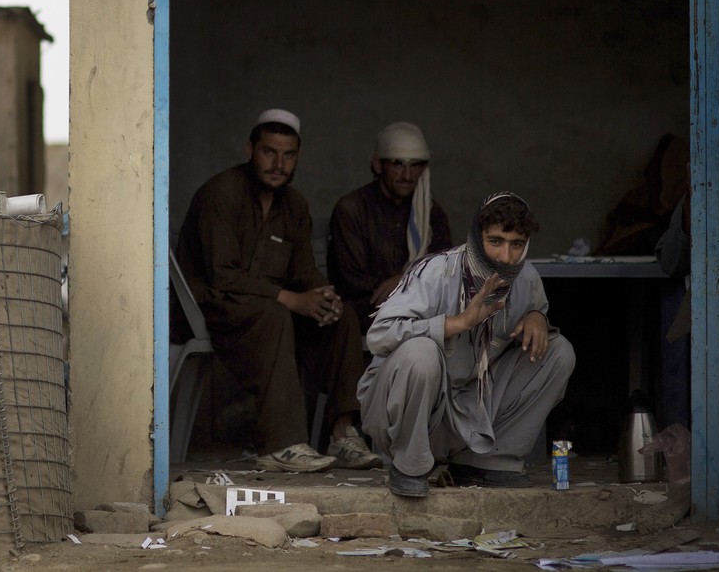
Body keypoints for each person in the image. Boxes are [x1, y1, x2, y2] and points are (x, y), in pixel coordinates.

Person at [175, 109, 381, 472]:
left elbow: (302, 270)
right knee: (275, 314)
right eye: (269, 152)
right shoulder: (221, 194)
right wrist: (291, 299)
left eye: (288, 155)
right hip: (210, 305)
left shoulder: (295, 205)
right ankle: (280, 445)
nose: (278, 164)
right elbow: (223, 277)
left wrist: (322, 296)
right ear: (250, 149)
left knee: (342, 316)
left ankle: (343, 433)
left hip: (263, 308)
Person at [359, 191, 575, 498]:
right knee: (421, 352)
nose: (506, 256)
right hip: (404, 416)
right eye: (496, 241)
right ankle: (409, 464)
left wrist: (536, 316)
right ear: (476, 237)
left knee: (559, 352)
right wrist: (457, 323)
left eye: (517, 244)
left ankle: (486, 462)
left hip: (468, 415)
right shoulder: (436, 272)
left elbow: (534, 315)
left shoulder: (526, 278)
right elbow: (379, 335)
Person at [328, 122, 453, 330]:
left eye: (415, 165)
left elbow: (444, 268)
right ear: (378, 165)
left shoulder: (430, 212)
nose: (407, 175)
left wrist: (406, 280)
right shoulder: (352, 209)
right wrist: (404, 288)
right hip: (366, 307)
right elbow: (351, 279)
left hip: (419, 303)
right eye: (398, 164)